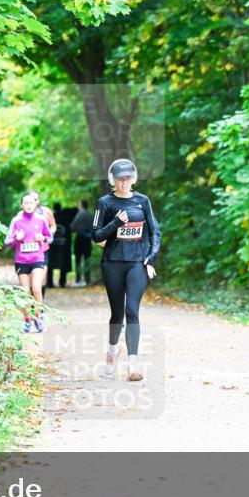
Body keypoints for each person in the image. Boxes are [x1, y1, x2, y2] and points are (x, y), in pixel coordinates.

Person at [92, 159, 161, 381]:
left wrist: (150, 259)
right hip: (112, 262)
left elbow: (155, 232)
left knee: (132, 310)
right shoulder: (104, 202)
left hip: (137, 263)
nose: (124, 183)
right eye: (120, 179)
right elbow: (95, 236)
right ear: (113, 180)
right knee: (117, 314)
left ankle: (133, 363)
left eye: (128, 178)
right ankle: (112, 352)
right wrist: (115, 223)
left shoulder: (143, 201)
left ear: (134, 179)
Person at [5, 193, 53, 332]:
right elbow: (7, 242)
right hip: (21, 261)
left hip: (37, 259)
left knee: (37, 288)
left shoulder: (41, 219)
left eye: (31, 202)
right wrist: (16, 238)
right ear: (21, 205)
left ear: (35, 204)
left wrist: (42, 238)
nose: (28, 205)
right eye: (25, 203)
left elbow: (50, 239)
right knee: (25, 292)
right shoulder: (16, 221)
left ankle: (38, 318)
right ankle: (27, 320)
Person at [48, 202, 75, 288]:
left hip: (52, 245)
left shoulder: (51, 218)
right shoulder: (67, 218)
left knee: (50, 263)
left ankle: (50, 283)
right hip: (65, 244)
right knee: (64, 262)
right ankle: (62, 282)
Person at [70, 199, 93, 286]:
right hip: (88, 239)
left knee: (78, 260)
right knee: (87, 259)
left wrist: (75, 229)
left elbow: (73, 226)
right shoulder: (90, 214)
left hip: (80, 238)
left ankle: (78, 279)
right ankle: (87, 279)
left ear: (81, 205)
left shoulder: (80, 214)